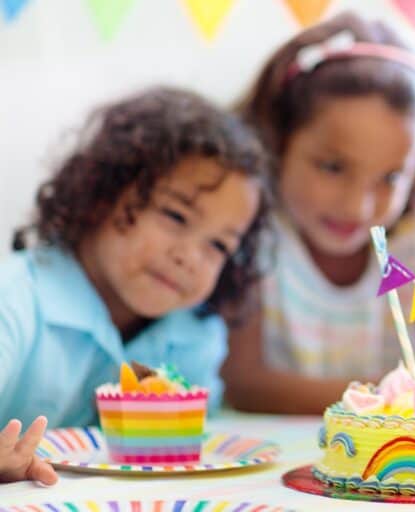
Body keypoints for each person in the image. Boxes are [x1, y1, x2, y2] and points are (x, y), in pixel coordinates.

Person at [0, 87, 270, 483]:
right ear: (100, 193)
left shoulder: (193, 338)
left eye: (218, 245)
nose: (190, 257)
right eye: (176, 216)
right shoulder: (15, 301)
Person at [220, 11, 415, 414]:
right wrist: (403, 393)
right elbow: (245, 385)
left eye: (390, 177)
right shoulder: (254, 238)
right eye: (333, 167)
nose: (359, 205)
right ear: (276, 141)